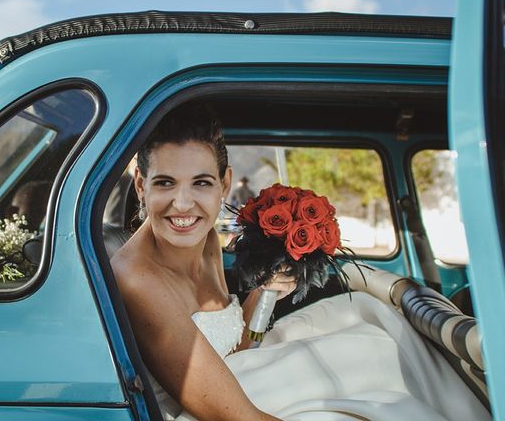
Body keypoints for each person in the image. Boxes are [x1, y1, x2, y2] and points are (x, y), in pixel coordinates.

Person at [110, 103, 490, 421]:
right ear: (141, 184)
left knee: (375, 328)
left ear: (225, 184)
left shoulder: (205, 238)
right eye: (164, 183)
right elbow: (239, 417)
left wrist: (264, 293)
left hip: (238, 381)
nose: (183, 204)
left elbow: (239, 349)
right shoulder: (139, 280)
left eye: (201, 183)